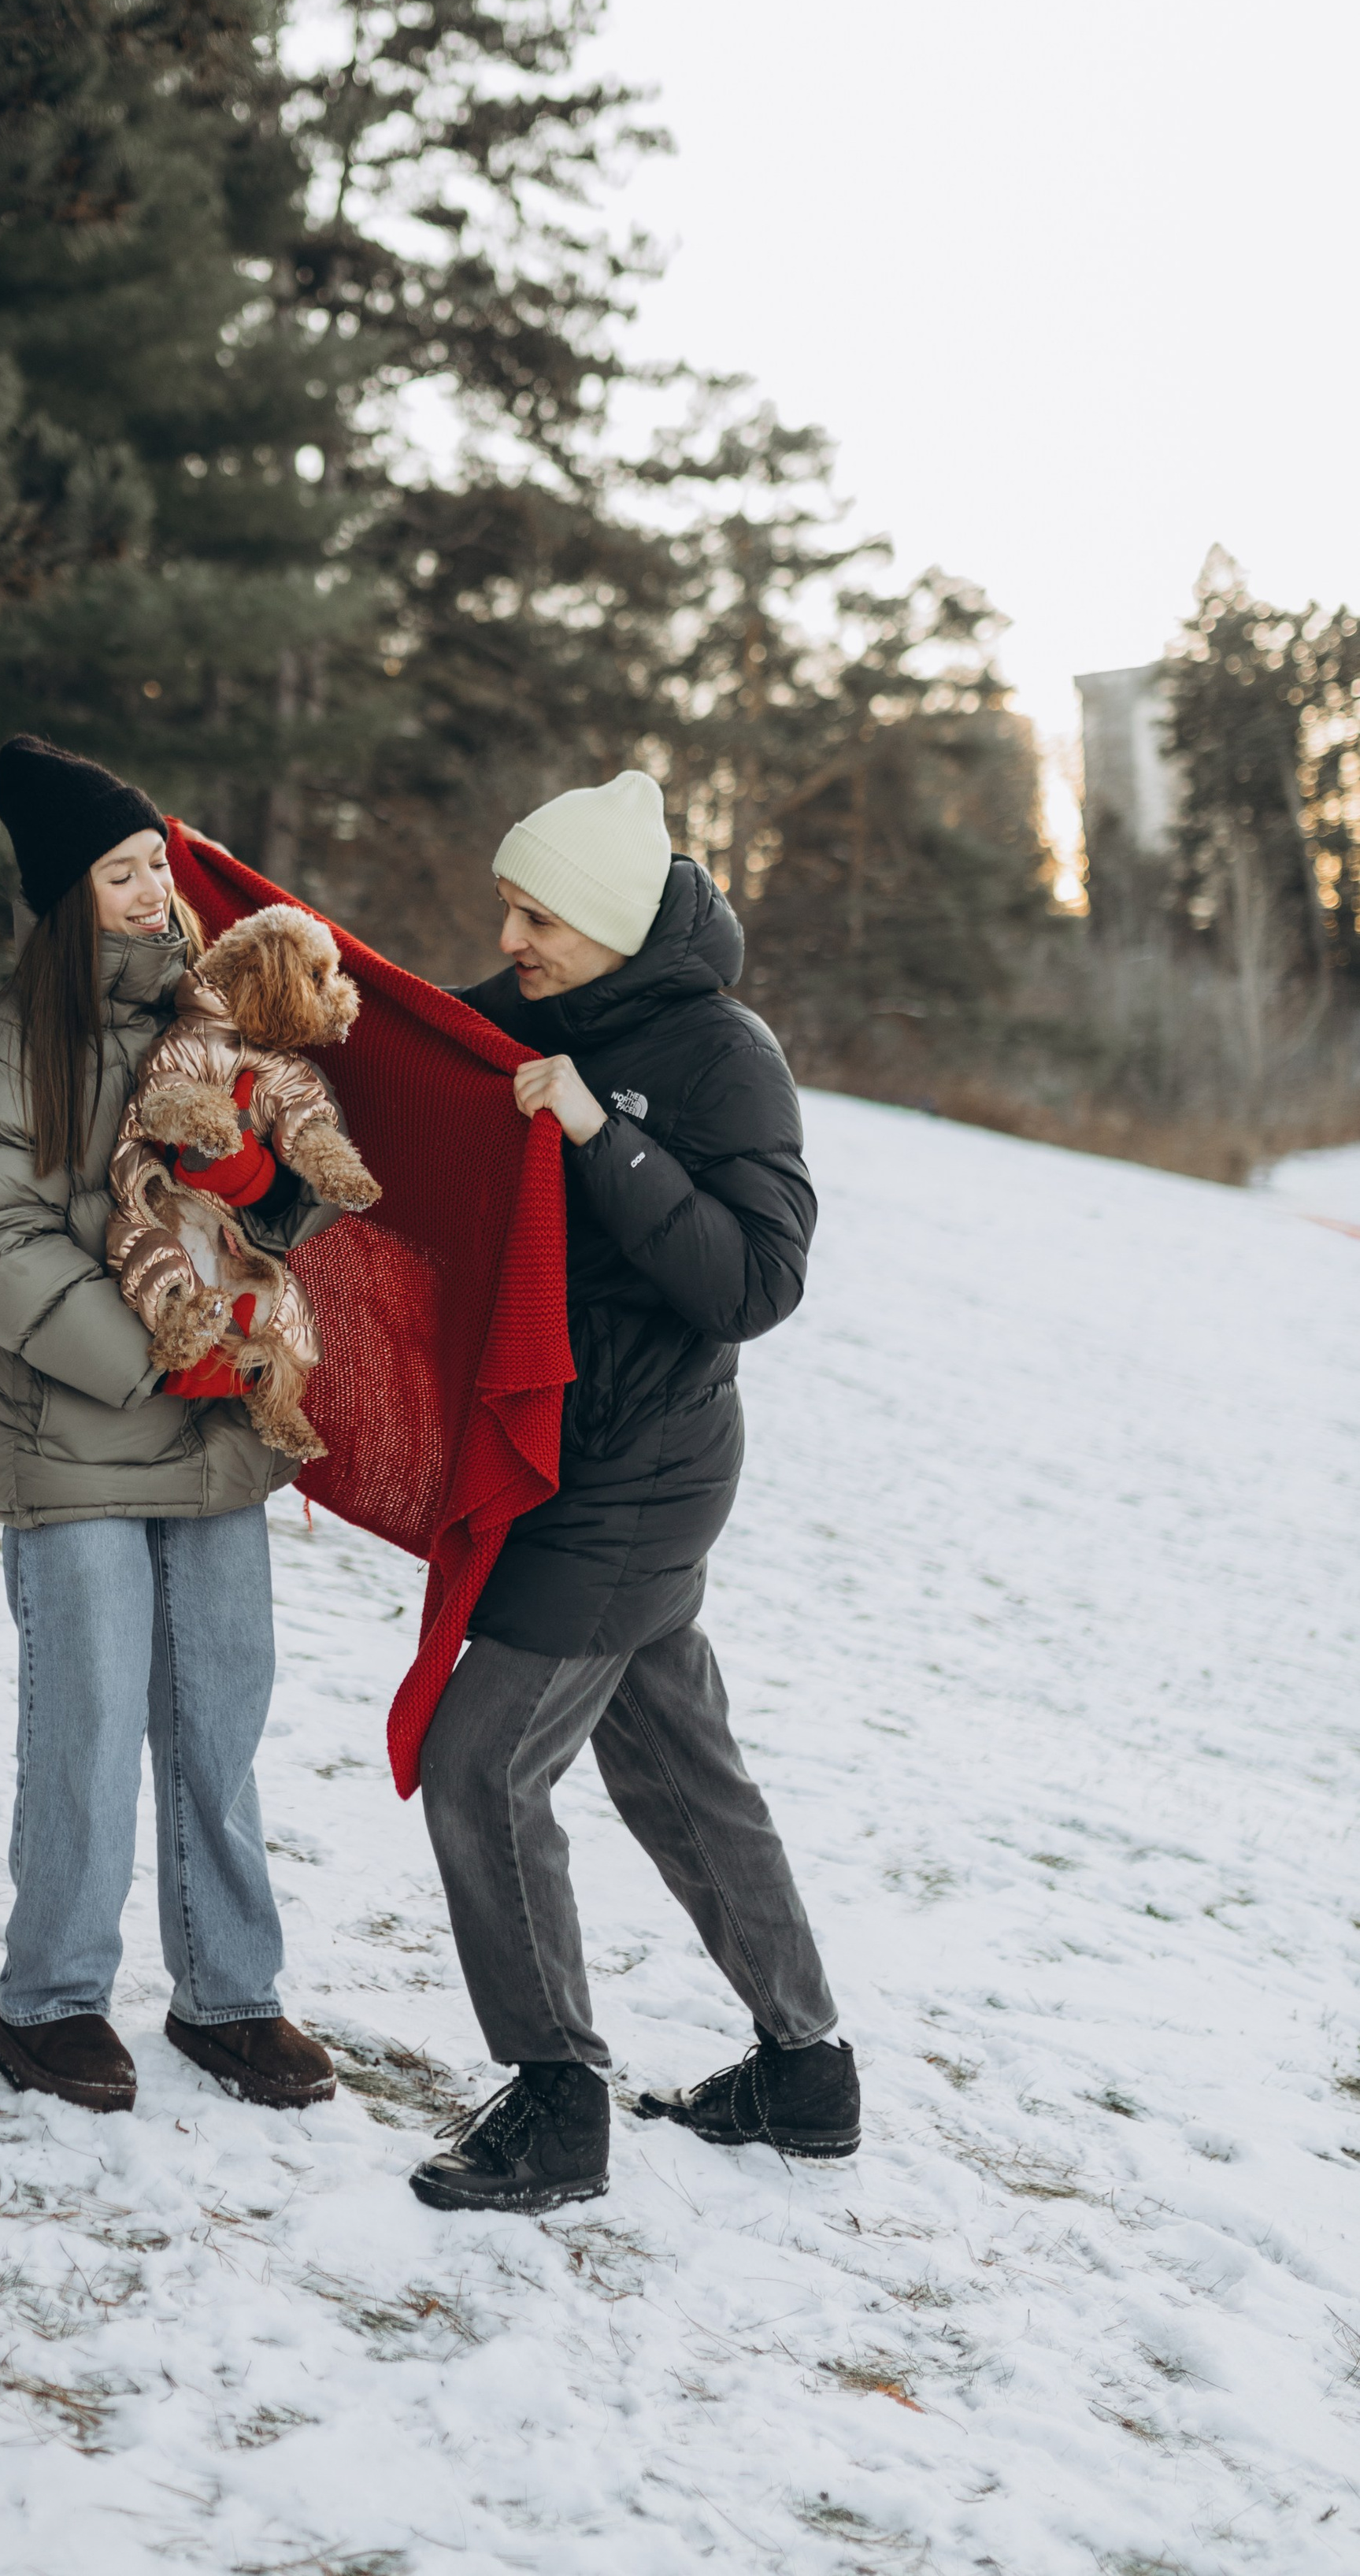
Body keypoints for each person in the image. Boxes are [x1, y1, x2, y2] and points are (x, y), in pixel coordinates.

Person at [409, 769, 858, 2213]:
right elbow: (406, 1047)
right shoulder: (545, 1006)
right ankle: (806, 2075)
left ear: (605, 921)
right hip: (562, 1456)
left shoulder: (727, 1058)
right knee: (674, 1762)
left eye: (535, 914)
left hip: (643, 1474)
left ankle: (555, 2105)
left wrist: (610, 1138)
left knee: (485, 1765)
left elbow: (757, 1283)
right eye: (507, 911)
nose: (512, 935)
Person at [0, 734, 341, 2117]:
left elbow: (286, 1201)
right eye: (120, 871)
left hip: (218, 1443)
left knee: (219, 1722)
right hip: (81, 1440)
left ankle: (229, 1997)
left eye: (157, 860)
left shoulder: (215, 1021)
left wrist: (263, 1182)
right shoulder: (10, 1044)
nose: (155, 889)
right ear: (64, 899)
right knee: (89, 1727)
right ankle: (48, 2005)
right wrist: (155, 1358)